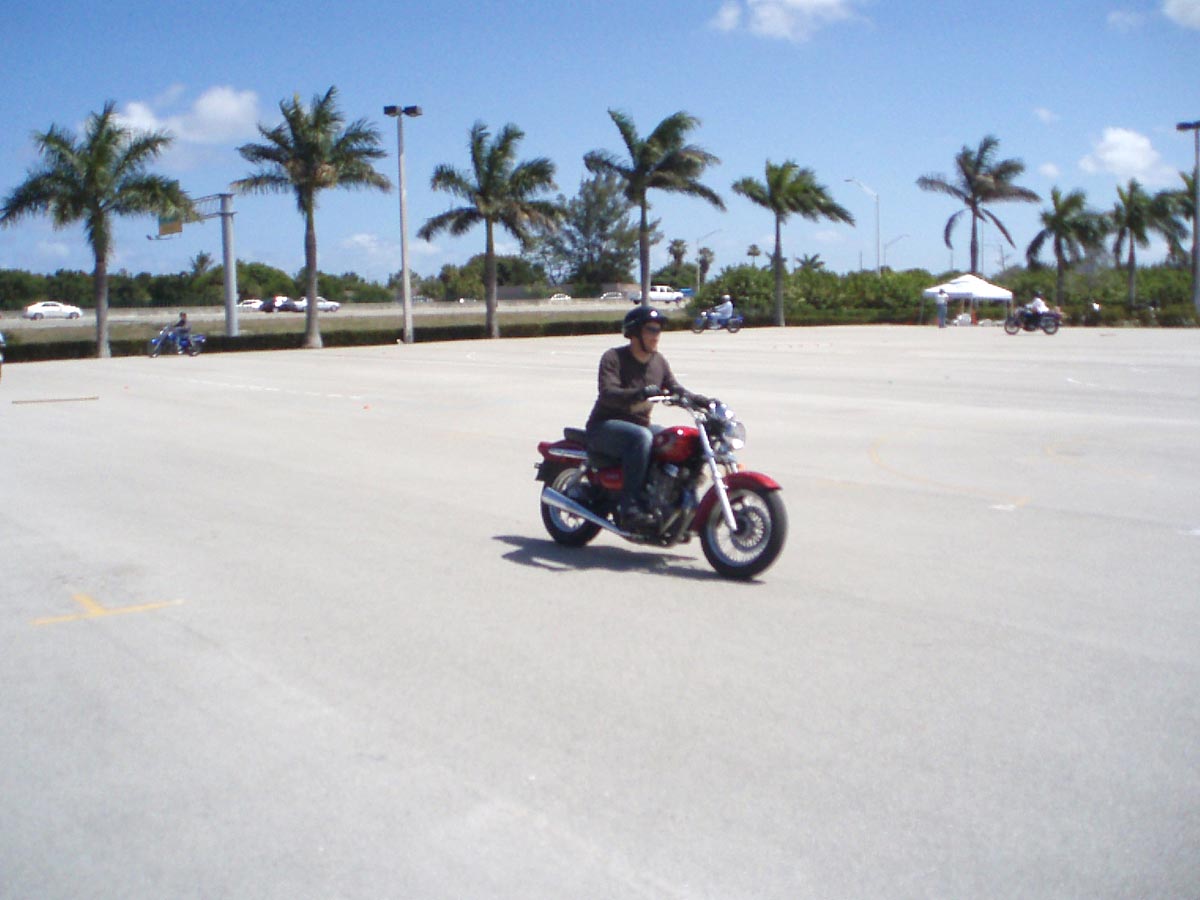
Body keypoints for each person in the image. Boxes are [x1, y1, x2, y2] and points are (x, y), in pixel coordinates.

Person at [585, 306, 706, 528]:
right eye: (651, 329)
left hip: (640, 426)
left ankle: (675, 504)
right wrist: (639, 393)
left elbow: (675, 388)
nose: (656, 336)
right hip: (603, 427)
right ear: (634, 333)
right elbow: (608, 392)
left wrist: (702, 401)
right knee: (642, 437)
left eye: (659, 330)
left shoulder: (658, 362)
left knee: (677, 441)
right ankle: (630, 507)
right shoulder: (613, 358)